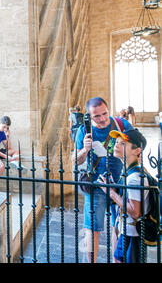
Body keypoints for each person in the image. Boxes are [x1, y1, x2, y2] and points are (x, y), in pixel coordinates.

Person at [72, 97, 133, 262]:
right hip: (96, 183)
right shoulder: (84, 131)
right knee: (92, 229)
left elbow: (137, 147)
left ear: (108, 109)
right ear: (89, 116)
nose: (103, 119)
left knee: (118, 227)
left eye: (104, 113)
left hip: (120, 183)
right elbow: (75, 160)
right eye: (97, 116)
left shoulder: (122, 125)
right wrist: (84, 150)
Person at [97, 128, 149, 263]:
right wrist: (113, 187)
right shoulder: (128, 171)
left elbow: (135, 211)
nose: (117, 145)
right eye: (117, 142)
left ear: (137, 151)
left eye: (123, 144)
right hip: (127, 232)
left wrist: (111, 193)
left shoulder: (135, 177)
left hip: (133, 235)